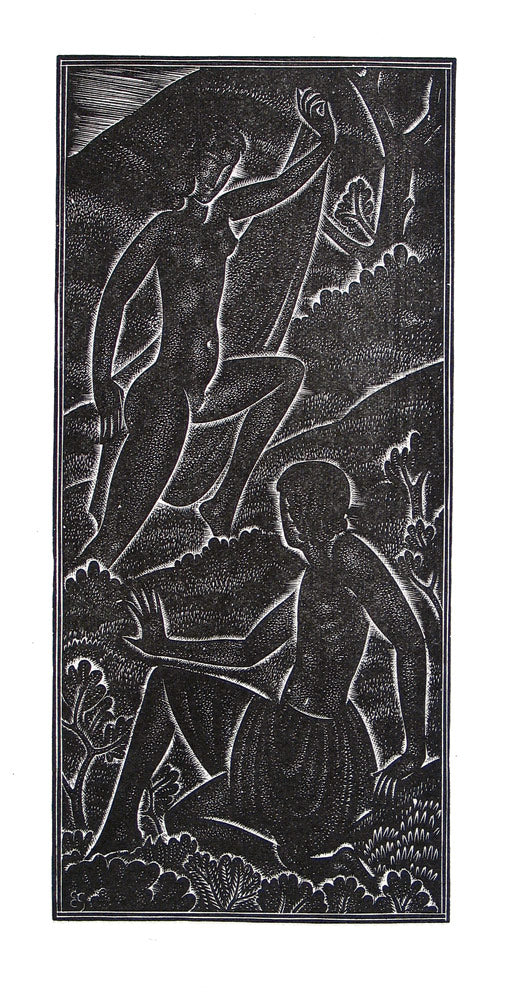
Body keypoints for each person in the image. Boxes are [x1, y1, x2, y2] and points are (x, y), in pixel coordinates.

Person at [91, 461, 428, 876]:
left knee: (183, 817)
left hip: (313, 758)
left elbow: (411, 643)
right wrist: (163, 647)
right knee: (179, 809)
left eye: (287, 508)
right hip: (286, 737)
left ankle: (306, 868)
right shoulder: (318, 572)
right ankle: (122, 827)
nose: (282, 517)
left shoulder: (349, 556)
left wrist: (414, 752)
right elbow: (249, 650)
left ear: (302, 516)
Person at [80, 89, 337, 568]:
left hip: (208, 386)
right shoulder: (166, 228)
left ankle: (224, 500)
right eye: (211, 164)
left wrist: (326, 141)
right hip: (166, 393)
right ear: (193, 163)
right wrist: (102, 379)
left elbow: (284, 185)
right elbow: (114, 297)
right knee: (113, 542)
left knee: (287, 374)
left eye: (227, 169)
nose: (216, 178)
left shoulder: (224, 214)